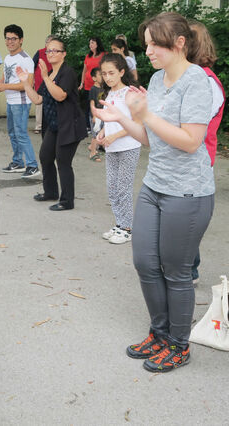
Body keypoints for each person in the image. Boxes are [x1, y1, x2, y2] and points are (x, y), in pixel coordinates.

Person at [94, 12, 215, 372]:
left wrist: (145, 115)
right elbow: (153, 139)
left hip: (187, 194)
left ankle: (179, 344)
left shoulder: (197, 83)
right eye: (145, 43)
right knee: (145, 262)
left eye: (154, 43)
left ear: (179, 43)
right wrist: (124, 120)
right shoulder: (158, 80)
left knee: (176, 271)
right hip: (155, 185)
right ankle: (159, 334)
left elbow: (192, 142)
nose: (147, 51)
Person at [16, 37, 86, 211]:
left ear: (63, 54)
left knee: (63, 161)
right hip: (54, 125)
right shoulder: (50, 74)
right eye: (48, 51)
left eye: (55, 50)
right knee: (46, 156)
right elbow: (38, 99)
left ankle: (67, 201)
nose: (51, 53)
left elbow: (60, 95)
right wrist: (25, 83)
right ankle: (50, 192)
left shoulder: (67, 72)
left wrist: (46, 77)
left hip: (70, 125)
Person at [187, 20, 225, 285]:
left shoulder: (207, 82)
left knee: (188, 222)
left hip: (197, 163)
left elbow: (188, 129)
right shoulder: (193, 78)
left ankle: (190, 271)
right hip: (187, 161)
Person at [95, 53, 141, 244]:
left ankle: (128, 228)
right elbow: (111, 118)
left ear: (122, 71)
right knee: (112, 187)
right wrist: (104, 131)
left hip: (129, 146)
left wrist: (115, 135)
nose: (108, 77)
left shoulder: (130, 93)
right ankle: (120, 223)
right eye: (104, 73)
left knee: (123, 187)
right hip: (111, 147)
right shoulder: (109, 93)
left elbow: (137, 122)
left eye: (112, 73)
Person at [0, 24, 40, 178]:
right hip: (10, 100)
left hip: (21, 102)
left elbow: (28, 85)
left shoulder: (25, 60)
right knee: (13, 133)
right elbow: (7, 77)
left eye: (14, 39)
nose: (10, 42)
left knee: (21, 134)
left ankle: (33, 165)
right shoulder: (7, 57)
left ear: (21, 40)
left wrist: (4, 86)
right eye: (7, 39)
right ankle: (18, 162)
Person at [78, 37, 106, 131]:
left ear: (97, 44)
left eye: (93, 43)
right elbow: (84, 70)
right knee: (88, 105)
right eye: (90, 43)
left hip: (99, 85)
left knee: (98, 104)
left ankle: (99, 125)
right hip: (87, 84)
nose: (90, 45)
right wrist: (82, 82)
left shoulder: (103, 55)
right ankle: (88, 125)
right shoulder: (88, 56)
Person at [32, 35, 54, 134]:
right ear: (45, 43)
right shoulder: (40, 52)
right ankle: (38, 126)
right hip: (40, 82)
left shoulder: (56, 54)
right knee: (39, 105)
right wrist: (31, 80)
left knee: (51, 103)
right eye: (49, 42)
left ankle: (49, 124)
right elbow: (32, 66)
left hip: (52, 82)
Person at [88, 67, 104, 162]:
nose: (103, 76)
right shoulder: (93, 89)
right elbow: (92, 103)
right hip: (96, 115)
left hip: (103, 115)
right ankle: (93, 153)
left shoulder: (104, 88)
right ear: (94, 78)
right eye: (100, 74)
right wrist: (94, 115)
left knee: (101, 133)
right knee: (96, 135)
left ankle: (91, 146)